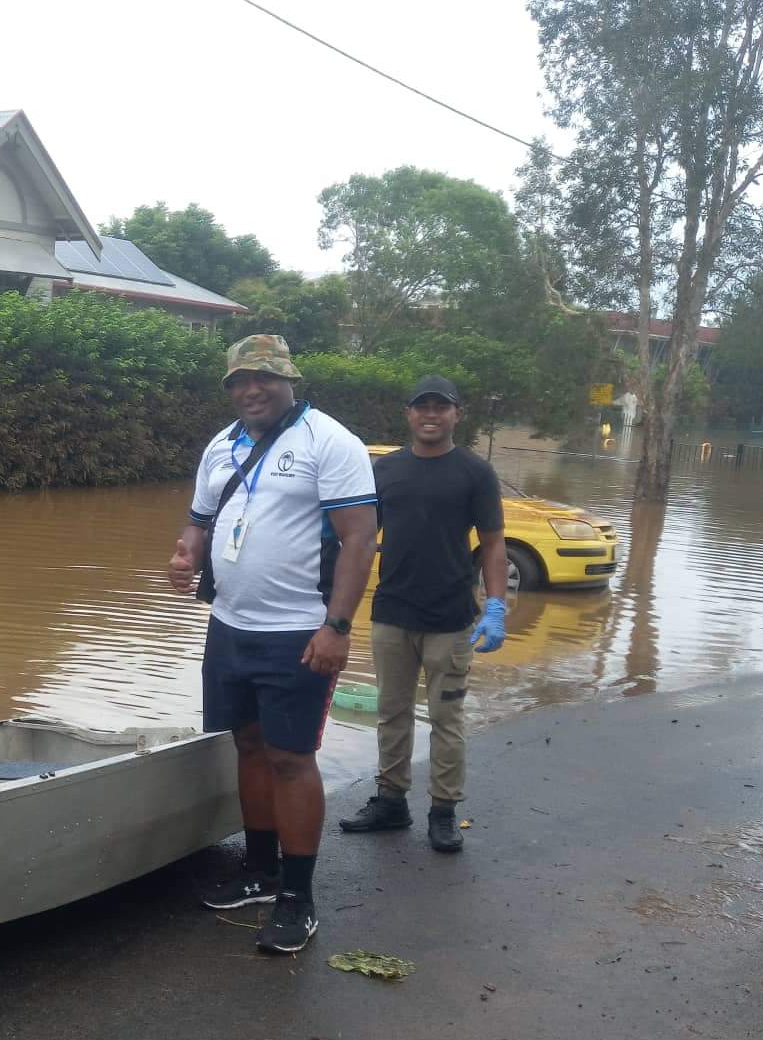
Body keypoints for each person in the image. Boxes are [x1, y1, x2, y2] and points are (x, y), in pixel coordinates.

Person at [168, 335, 378, 953]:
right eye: (239, 381)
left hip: (299, 630)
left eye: (262, 378)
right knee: (249, 745)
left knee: (291, 758)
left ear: (290, 380)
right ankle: (260, 871)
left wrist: (336, 628)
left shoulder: (329, 442)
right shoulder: (222, 444)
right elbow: (201, 520)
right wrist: (186, 551)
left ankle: (298, 895)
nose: (250, 390)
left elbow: (359, 538)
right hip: (229, 625)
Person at [340, 376, 508, 853]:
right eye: (422, 406)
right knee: (391, 713)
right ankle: (391, 801)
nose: (431, 414)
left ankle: (443, 810)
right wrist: (336, 601)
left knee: (446, 718)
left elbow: (493, 544)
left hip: (451, 619)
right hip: (392, 612)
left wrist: (496, 605)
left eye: (441, 407)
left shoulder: (475, 473)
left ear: (457, 414)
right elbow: (363, 539)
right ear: (408, 414)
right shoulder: (385, 470)